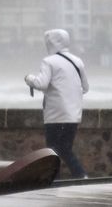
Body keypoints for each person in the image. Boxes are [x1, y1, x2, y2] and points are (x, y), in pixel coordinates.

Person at [24, 29, 89, 179]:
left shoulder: (49, 61)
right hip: (73, 115)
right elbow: (85, 88)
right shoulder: (77, 61)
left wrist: (28, 78)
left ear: (51, 43)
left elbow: (41, 83)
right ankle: (66, 177)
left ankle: (77, 175)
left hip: (55, 115)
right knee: (64, 148)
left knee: (53, 150)